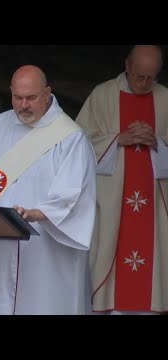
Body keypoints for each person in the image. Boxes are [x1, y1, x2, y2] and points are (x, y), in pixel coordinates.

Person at [0, 65, 97, 315]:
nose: (23, 105)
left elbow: (76, 195)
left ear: (47, 93)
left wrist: (40, 213)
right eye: (17, 97)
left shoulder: (70, 138)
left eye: (31, 98)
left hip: (44, 252)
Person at [76, 45, 168, 314]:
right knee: (113, 285)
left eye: (152, 77)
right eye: (140, 76)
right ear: (127, 66)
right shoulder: (102, 95)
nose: (145, 83)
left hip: (154, 212)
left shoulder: (165, 99)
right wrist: (117, 140)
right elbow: (77, 146)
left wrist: (158, 144)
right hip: (113, 205)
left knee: (153, 284)